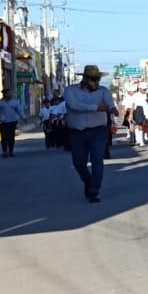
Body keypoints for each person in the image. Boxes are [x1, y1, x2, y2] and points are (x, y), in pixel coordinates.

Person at [63, 65, 119, 202]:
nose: (96, 82)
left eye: (98, 79)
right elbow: (74, 105)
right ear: (85, 78)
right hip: (77, 132)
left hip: (98, 130)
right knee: (79, 163)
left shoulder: (104, 91)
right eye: (93, 79)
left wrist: (112, 109)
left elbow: (110, 103)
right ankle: (89, 182)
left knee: (97, 160)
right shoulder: (71, 91)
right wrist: (96, 107)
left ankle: (94, 190)